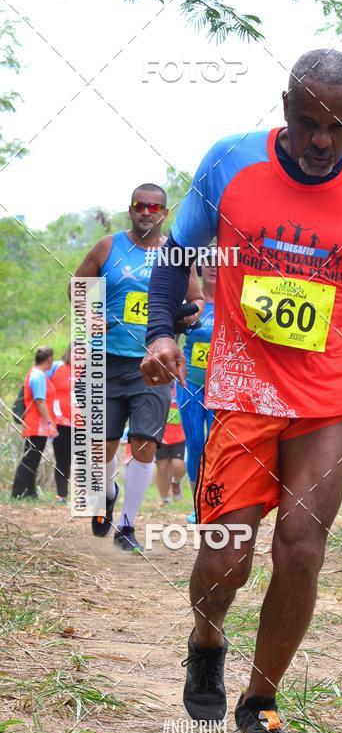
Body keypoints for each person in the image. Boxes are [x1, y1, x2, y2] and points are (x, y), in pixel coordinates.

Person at [142, 49, 342, 733]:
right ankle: (207, 639)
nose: (321, 141)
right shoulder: (230, 163)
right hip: (243, 388)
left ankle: (261, 697)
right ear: (284, 107)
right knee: (225, 560)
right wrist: (157, 333)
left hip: (329, 394)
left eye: (338, 126)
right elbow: (177, 254)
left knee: (301, 550)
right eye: (308, 123)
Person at [70, 184, 202, 551]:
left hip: (154, 363)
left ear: (164, 212)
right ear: (130, 210)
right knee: (103, 449)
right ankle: (108, 492)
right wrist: (90, 315)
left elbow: (197, 298)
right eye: (140, 206)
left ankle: (127, 525)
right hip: (107, 361)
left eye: (154, 206)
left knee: (144, 444)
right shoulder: (108, 247)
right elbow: (77, 287)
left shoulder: (174, 254)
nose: (147, 211)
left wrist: (190, 319)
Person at [177, 254, 215, 522]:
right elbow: (169, 335)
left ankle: (215, 502)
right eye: (209, 261)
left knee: (216, 444)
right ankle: (197, 505)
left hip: (222, 385)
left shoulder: (236, 300)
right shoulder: (189, 301)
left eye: (219, 262)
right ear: (201, 267)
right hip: (189, 381)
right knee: (195, 442)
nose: (213, 266)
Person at [12, 347, 58, 499]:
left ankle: (30, 493)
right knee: (30, 459)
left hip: (34, 424)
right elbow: (39, 401)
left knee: (32, 459)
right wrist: (50, 423)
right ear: (49, 359)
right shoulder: (38, 376)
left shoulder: (36, 373)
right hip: (37, 425)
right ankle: (18, 492)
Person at [155, 381, 186, 508]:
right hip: (161, 431)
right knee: (162, 466)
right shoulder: (158, 379)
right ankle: (165, 499)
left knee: (178, 465)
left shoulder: (183, 379)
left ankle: (176, 482)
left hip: (181, 432)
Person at [49, 344, 73, 504]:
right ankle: (62, 495)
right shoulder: (57, 368)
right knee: (62, 460)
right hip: (60, 423)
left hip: (84, 425)